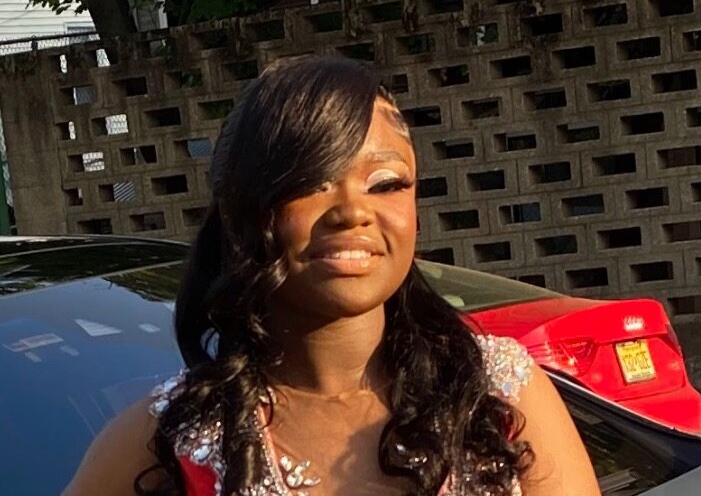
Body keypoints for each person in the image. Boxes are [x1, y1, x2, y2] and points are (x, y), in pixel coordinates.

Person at [63, 56, 600, 496]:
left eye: (386, 184)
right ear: (239, 212)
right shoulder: (166, 439)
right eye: (311, 182)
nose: (352, 212)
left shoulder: (499, 392)